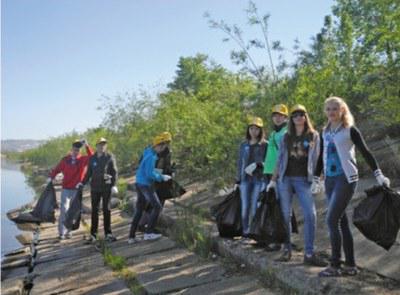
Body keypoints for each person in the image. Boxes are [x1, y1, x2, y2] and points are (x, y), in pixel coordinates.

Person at [316, 97, 390, 277]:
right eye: (328, 109)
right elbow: (321, 156)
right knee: (341, 222)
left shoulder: (350, 130)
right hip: (330, 180)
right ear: (325, 112)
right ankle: (350, 265)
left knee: (331, 220)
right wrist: (315, 178)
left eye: (335, 109)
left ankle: (335, 265)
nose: (332, 112)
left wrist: (378, 174)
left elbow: (366, 152)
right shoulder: (324, 132)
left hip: (346, 179)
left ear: (342, 110)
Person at [267, 104, 327, 266]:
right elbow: (279, 160)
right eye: (295, 115)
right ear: (291, 119)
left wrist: (318, 178)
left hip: (303, 180)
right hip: (285, 179)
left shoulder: (313, 135)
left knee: (310, 214)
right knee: (285, 215)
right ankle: (287, 250)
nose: (298, 117)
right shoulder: (286, 136)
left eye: (301, 114)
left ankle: (309, 253)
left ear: (306, 116)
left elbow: (318, 159)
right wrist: (273, 180)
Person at [128, 132, 173, 244]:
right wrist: (162, 177)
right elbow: (149, 174)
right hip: (146, 185)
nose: (163, 148)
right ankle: (149, 233)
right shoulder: (152, 156)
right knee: (157, 207)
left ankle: (131, 237)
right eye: (162, 146)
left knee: (139, 209)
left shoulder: (147, 151)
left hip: (139, 183)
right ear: (157, 146)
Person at [48, 139, 93, 240]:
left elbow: (92, 157)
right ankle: (61, 232)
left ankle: (68, 232)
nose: (75, 151)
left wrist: (87, 145)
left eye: (77, 149)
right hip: (66, 189)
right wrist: (51, 176)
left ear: (79, 151)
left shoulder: (83, 160)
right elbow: (57, 169)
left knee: (73, 212)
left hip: (77, 190)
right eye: (74, 149)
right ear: (71, 149)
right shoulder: (65, 160)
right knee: (64, 209)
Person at [78, 137, 118, 242]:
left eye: (104, 144)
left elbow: (114, 172)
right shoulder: (92, 158)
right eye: (100, 144)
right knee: (94, 211)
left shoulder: (110, 157)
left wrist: (114, 185)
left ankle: (108, 234)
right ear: (96, 146)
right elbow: (88, 173)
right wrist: (81, 183)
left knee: (107, 210)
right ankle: (93, 235)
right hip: (95, 188)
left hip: (106, 187)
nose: (102, 146)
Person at [236, 117, 267, 240]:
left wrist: (258, 165)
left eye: (256, 129)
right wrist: (237, 180)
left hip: (258, 180)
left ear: (261, 130)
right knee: (245, 207)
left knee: (255, 207)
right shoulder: (244, 145)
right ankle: (245, 232)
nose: (254, 131)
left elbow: (269, 163)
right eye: (251, 128)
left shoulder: (265, 145)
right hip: (245, 180)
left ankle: (254, 234)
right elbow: (240, 163)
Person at [262, 104, 288, 251]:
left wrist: (274, 177)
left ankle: (282, 241)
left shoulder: (285, 132)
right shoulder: (273, 133)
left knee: (282, 208)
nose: (277, 118)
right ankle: (275, 239)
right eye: (275, 115)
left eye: (280, 115)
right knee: (273, 208)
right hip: (269, 172)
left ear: (285, 117)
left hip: (278, 175)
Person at [138, 132, 174, 229]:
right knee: (151, 203)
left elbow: (167, 165)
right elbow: (142, 164)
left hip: (162, 179)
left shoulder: (167, 152)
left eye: (168, 142)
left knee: (160, 201)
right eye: (166, 141)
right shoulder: (151, 151)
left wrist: (170, 172)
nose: (167, 144)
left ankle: (151, 224)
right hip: (151, 179)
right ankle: (143, 225)